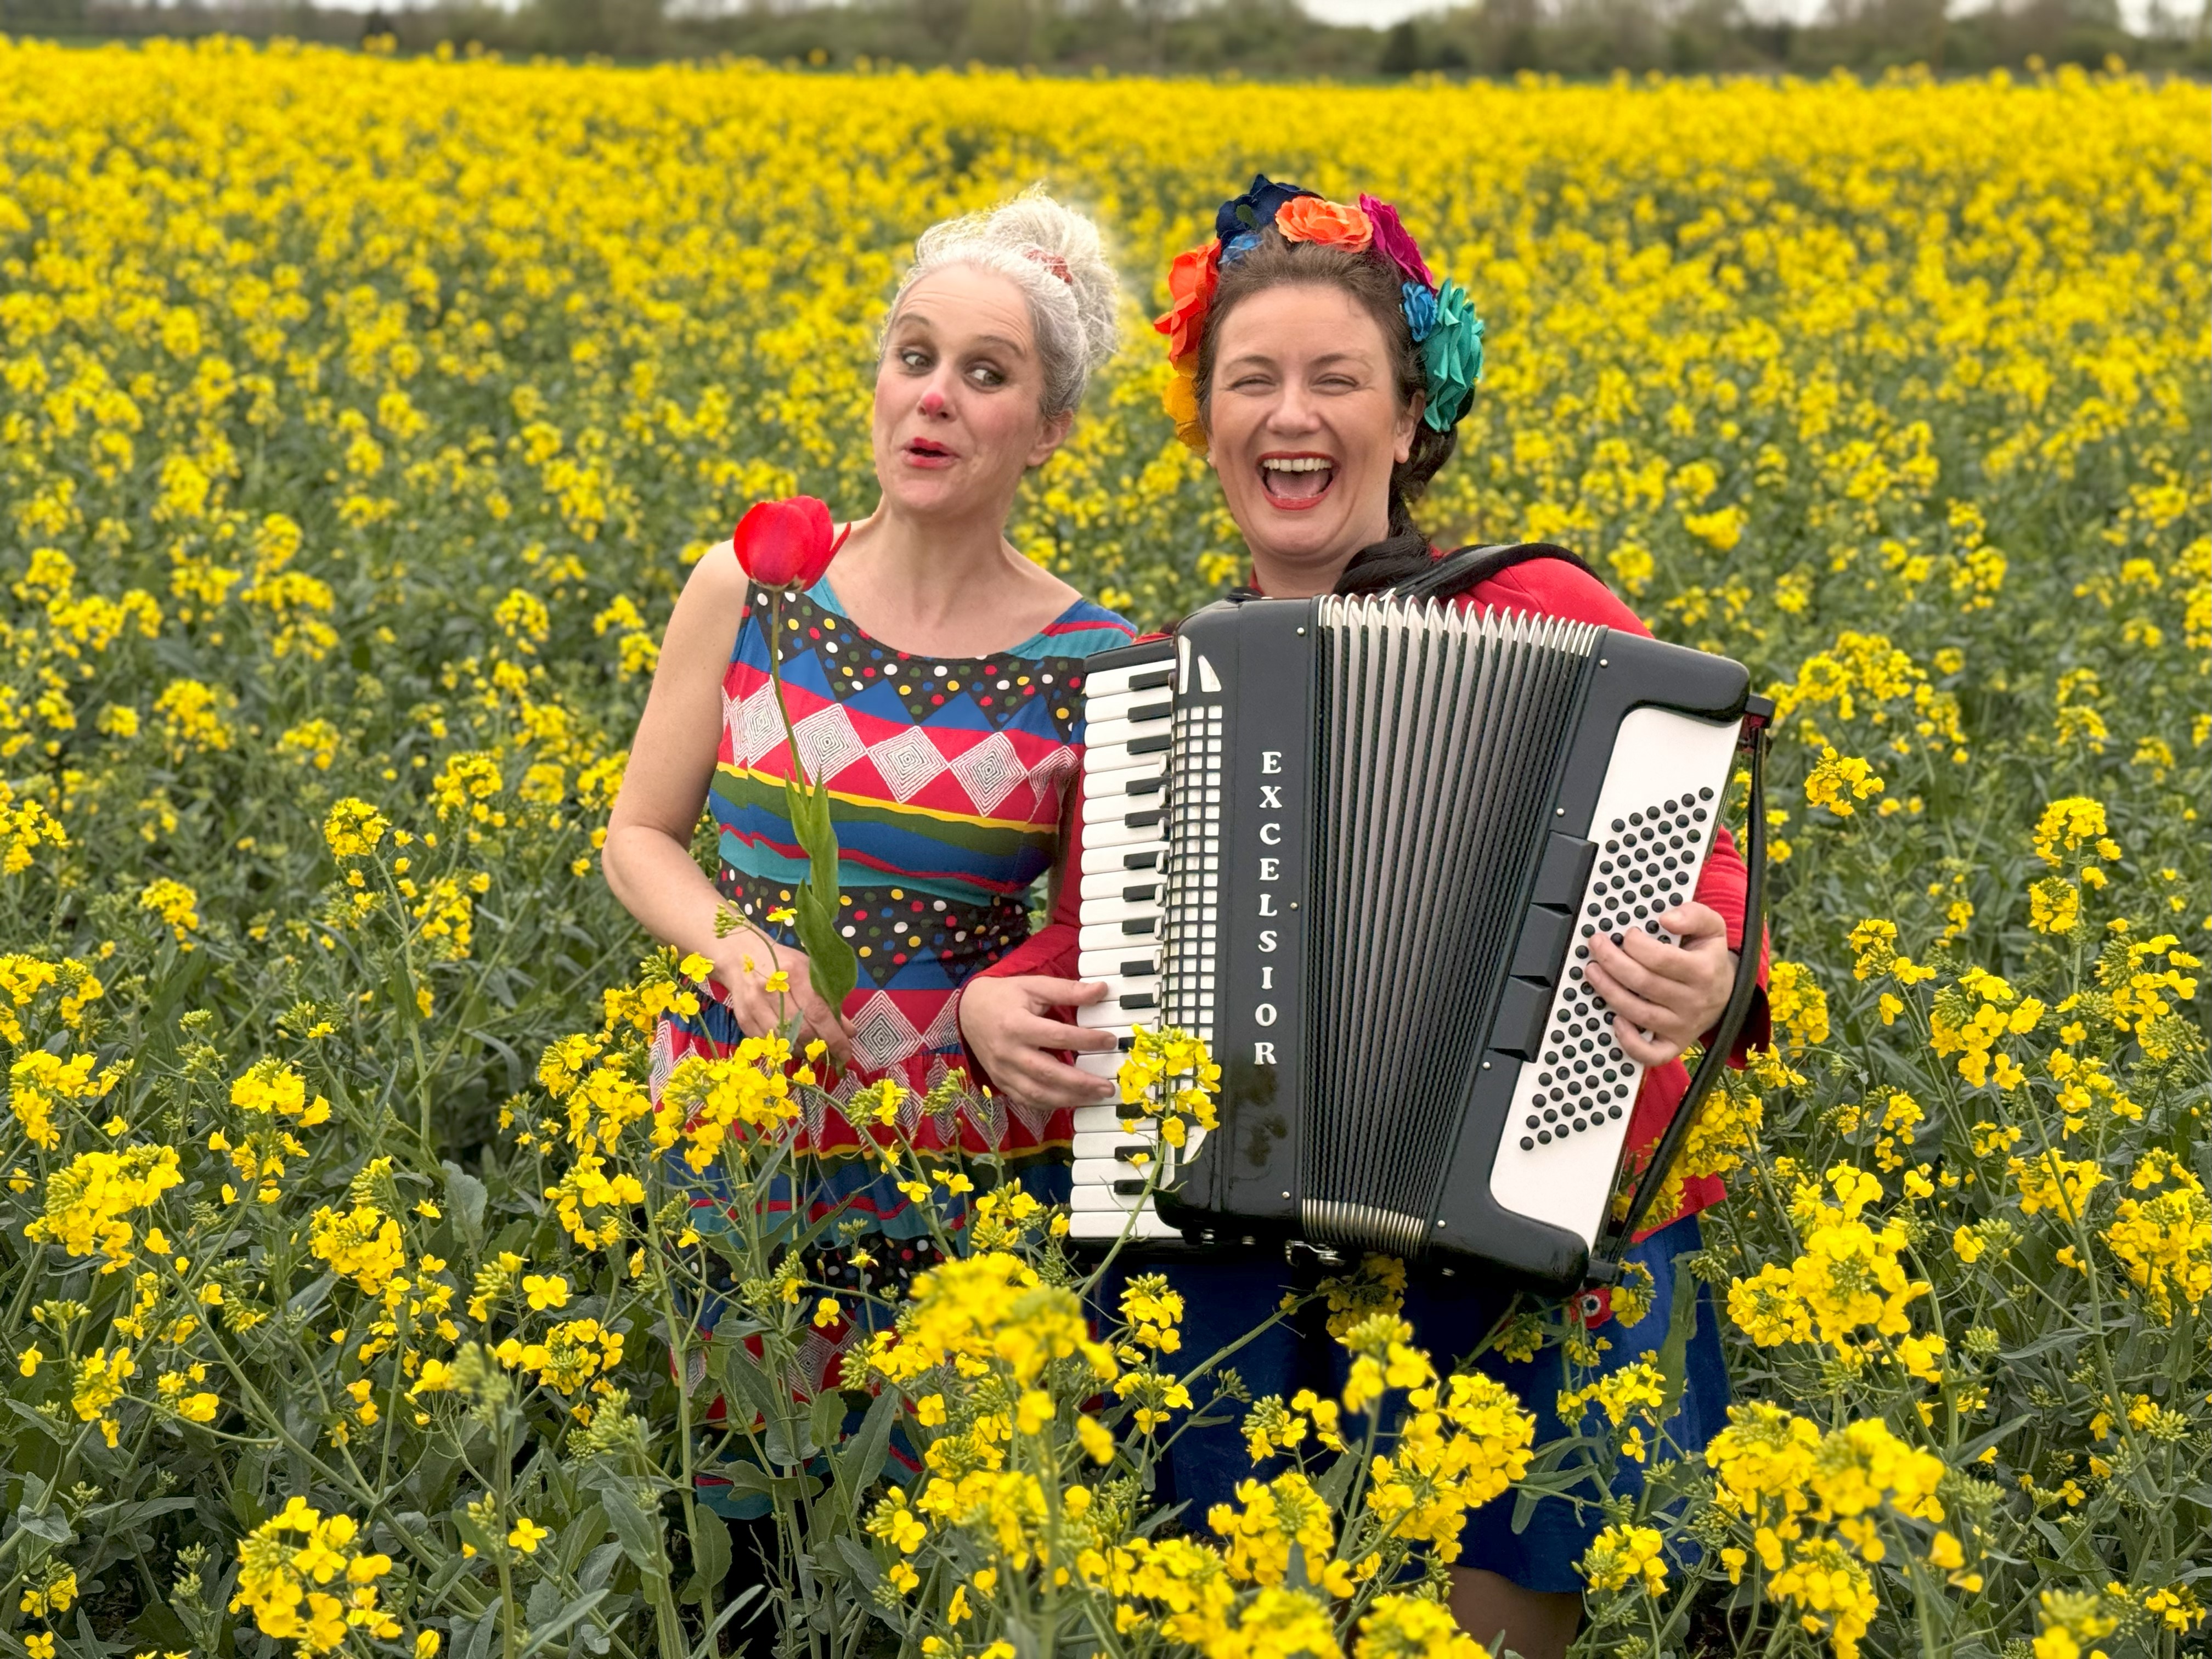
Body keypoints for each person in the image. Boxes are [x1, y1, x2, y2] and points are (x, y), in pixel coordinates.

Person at [958, 177, 1771, 1659]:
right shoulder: (1166, 688)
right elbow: (1089, 951)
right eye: (1252, 381)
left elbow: (1707, 895)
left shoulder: (1552, 613)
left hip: (1532, 1232)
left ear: (1409, 422)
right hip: (1246, 1249)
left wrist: (1711, 974)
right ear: (1206, 426)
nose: (1292, 415)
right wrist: (991, 1007)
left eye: (1338, 381)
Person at [601, 193, 1137, 1494]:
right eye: (915, 357)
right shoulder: (749, 588)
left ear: (1051, 431)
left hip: (960, 1156)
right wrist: (742, 949)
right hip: (742, 1121)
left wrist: (1019, 1005)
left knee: (929, 1544)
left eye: (986, 373)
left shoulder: (1104, 666)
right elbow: (638, 836)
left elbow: (1109, 943)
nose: (936, 397)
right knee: (738, 1520)